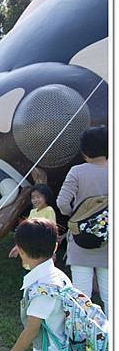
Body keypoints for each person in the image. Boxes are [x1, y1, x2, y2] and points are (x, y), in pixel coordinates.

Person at [0, 218, 75, 351]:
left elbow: (32, 330)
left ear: (21, 251)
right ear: (55, 247)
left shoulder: (44, 290)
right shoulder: (58, 276)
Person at [56, 126, 108, 314]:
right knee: (110, 297)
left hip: (80, 241)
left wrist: (75, 216)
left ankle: (83, 338)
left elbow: (62, 203)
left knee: (81, 297)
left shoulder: (77, 171)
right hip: (109, 241)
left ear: (84, 150)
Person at [9, 184, 57, 259]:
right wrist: (18, 247)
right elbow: (26, 230)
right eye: (33, 198)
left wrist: (52, 251)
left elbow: (52, 231)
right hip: (30, 247)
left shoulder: (49, 210)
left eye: (38, 197)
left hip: (42, 248)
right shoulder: (32, 212)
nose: (35, 200)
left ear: (46, 197)